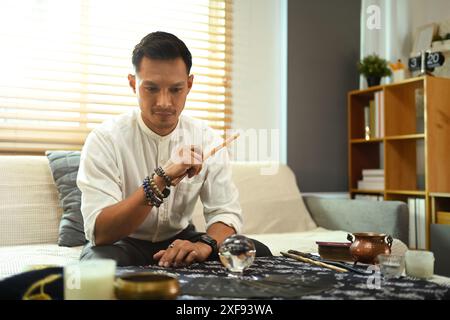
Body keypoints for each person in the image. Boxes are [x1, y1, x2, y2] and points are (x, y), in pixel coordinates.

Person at [77, 31, 272, 267]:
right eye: (151, 88)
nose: (164, 103)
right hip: (122, 243)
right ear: (132, 84)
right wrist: (162, 177)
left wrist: (203, 246)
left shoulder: (207, 139)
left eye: (175, 89)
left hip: (181, 239)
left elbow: (224, 213)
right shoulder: (105, 139)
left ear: (189, 85)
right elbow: (101, 232)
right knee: (96, 265)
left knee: (258, 251)